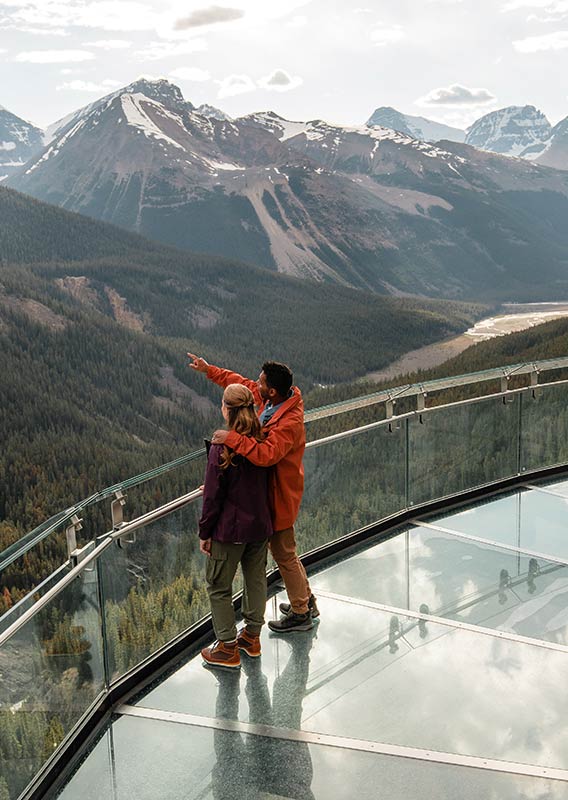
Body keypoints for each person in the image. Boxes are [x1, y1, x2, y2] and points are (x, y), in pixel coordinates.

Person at [188, 353, 319, 632]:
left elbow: (268, 454)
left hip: (278, 496)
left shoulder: (289, 422)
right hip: (267, 493)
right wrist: (209, 370)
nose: (254, 384)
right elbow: (238, 381)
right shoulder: (273, 401)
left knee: (284, 554)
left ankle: (300, 612)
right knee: (287, 553)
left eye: (260, 382)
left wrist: (231, 438)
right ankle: (306, 601)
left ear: (271, 390)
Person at [199, 383, 273, 670]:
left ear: (227, 409)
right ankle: (251, 638)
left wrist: (205, 532)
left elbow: (213, 497)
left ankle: (227, 648)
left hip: (229, 531)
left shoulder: (222, 447)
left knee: (218, 586)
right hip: (260, 526)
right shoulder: (263, 441)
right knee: (255, 580)